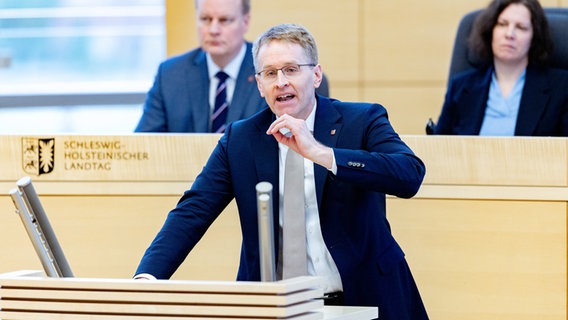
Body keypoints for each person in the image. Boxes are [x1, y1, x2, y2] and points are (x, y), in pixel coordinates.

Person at [134, 23, 428, 319]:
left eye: (291, 69)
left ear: (315, 75)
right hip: (275, 308)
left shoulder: (361, 120)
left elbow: (409, 174)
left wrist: (322, 153)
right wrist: (147, 276)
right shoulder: (241, 139)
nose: (281, 81)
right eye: (270, 73)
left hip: (365, 298)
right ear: (259, 85)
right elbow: (193, 210)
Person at [134, 0, 328, 133]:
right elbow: (145, 145)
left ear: (245, 22)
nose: (213, 30)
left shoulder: (271, 71)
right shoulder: (170, 75)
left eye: (224, 20)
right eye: (205, 19)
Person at [432, 0, 568, 136]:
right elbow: (440, 147)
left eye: (521, 27)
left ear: (534, 37)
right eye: (502, 24)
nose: (509, 34)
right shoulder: (461, 87)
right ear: (490, 30)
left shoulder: (561, 87)